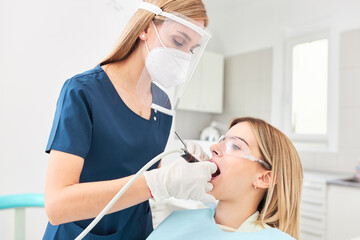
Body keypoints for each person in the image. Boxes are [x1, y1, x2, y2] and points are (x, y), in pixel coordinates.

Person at [43, 1, 217, 239]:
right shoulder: (83, 92)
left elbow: (142, 173)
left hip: (138, 232)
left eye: (192, 49)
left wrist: (179, 173)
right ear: (145, 28)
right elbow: (57, 206)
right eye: (178, 41)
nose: (183, 56)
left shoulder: (162, 105)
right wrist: (158, 182)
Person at [147, 117, 303, 240]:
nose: (213, 148)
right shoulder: (178, 221)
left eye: (235, 146)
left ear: (264, 178)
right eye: (221, 141)